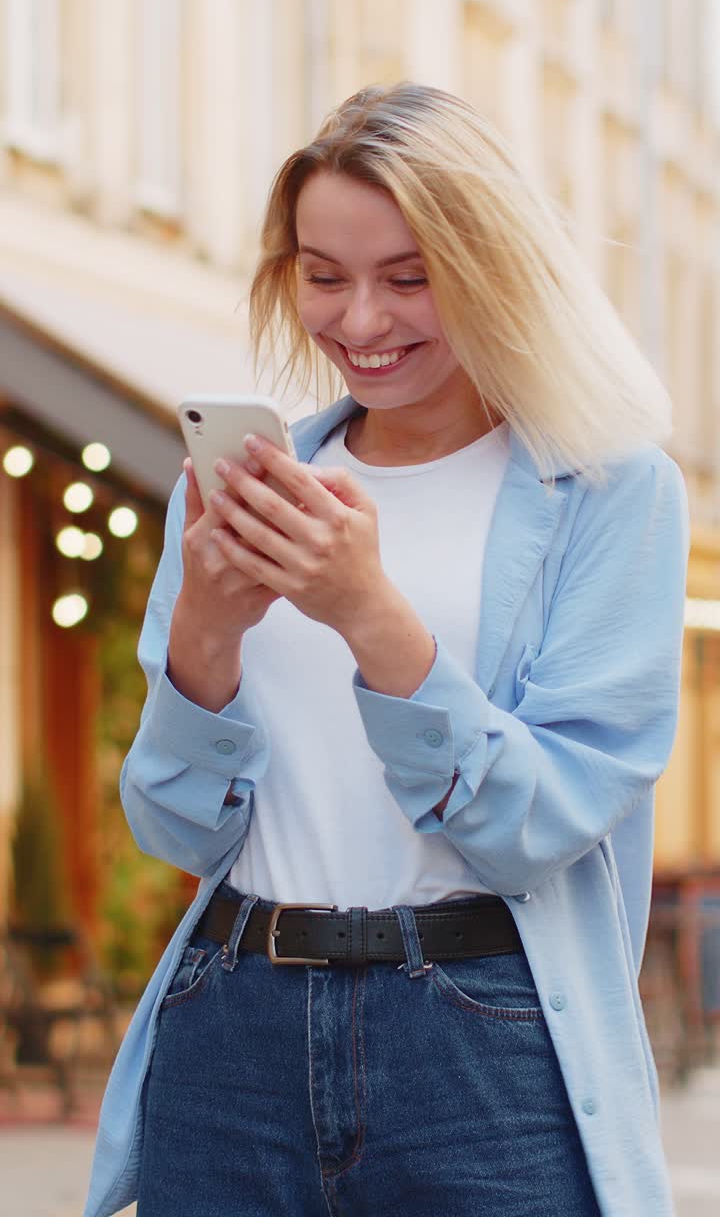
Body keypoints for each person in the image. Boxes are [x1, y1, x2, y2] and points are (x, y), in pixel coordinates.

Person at [84, 84, 688, 1217]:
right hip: (233, 1025)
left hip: (480, 1039)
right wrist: (208, 633)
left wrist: (371, 614)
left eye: (409, 277)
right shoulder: (243, 494)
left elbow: (540, 822)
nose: (360, 321)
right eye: (324, 275)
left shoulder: (608, 493)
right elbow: (177, 825)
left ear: (494, 268)